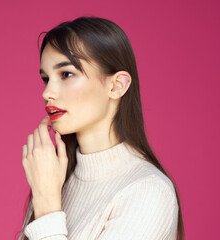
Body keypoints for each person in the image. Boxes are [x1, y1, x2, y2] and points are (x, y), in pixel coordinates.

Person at [18, 16, 184, 240]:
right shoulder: (56, 179)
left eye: (66, 74)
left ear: (116, 86)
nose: (47, 93)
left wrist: (48, 208)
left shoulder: (147, 191)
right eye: (46, 79)